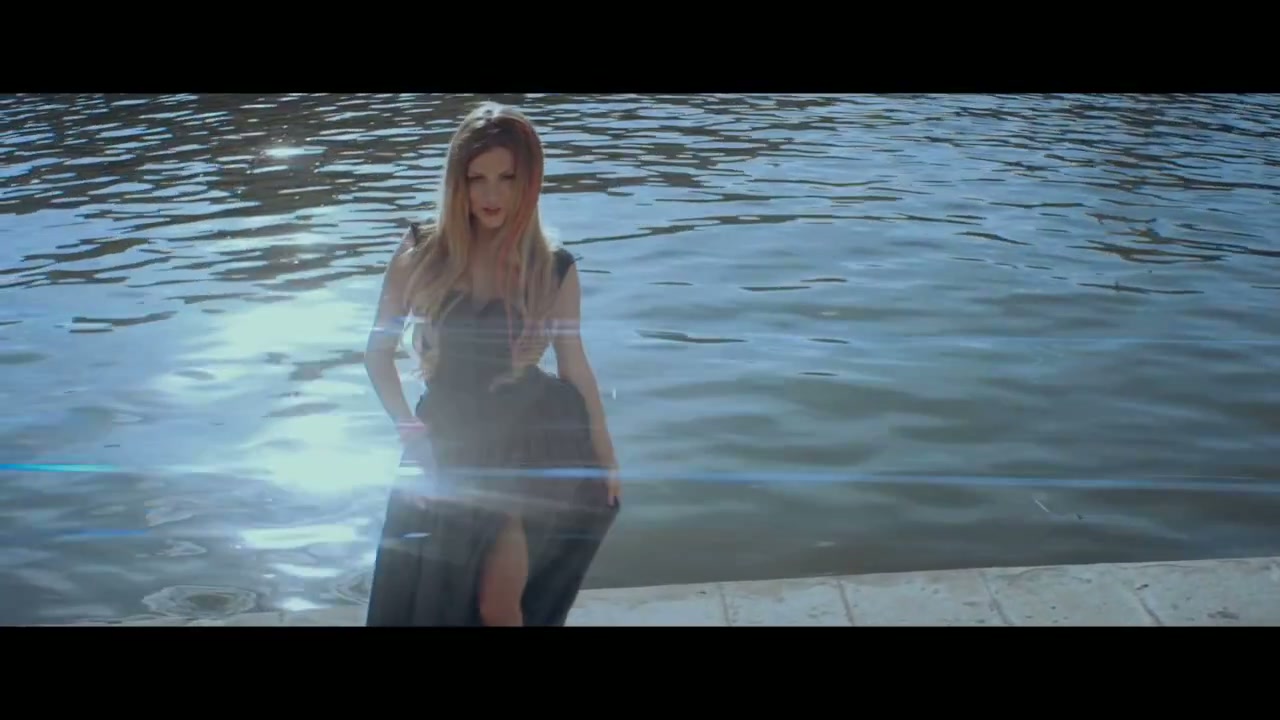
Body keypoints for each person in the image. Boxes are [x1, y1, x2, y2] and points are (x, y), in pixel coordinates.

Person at [360, 101, 622, 627]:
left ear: (530, 181)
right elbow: (377, 355)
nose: (491, 194)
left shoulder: (552, 267)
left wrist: (605, 456)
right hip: (447, 439)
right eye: (476, 178)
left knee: (498, 604)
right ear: (457, 182)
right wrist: (411, 433)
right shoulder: (420, 251)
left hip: (530, 439)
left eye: (507, 178)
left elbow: (574, 365)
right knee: (432, 600)